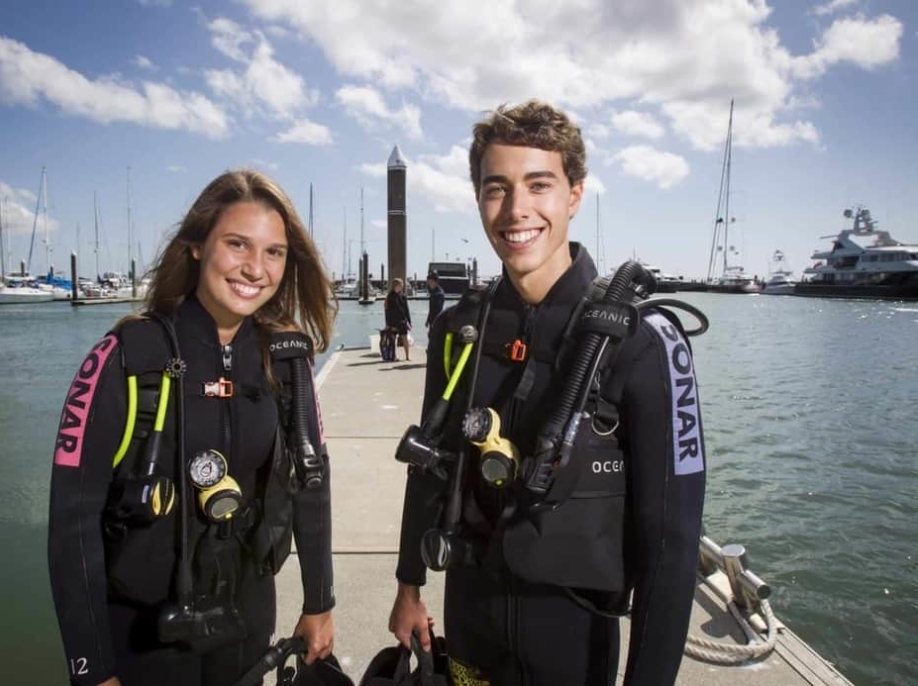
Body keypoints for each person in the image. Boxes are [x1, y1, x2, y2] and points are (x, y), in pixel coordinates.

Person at [387, 100, 707, 685]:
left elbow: (673, 546)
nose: (516, 210)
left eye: (539, 185)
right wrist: (409, 584)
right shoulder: (459, 330)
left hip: (573, 642)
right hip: (471, 623)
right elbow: (430, 465)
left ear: (574, 195)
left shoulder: (641, 341)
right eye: (496, 188)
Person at [48, 169, 337, 686]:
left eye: (274, 252)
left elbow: (312, 485)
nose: (255, 268)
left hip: (246, 622)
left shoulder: (287, 360)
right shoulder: (124, 358)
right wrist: (90, 666)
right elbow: (73, 524)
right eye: (237, 244)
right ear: (198, 247)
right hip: (142, 633)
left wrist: (319, 602)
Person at [384, 277, 412, 362]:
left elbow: (407, 310)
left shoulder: (403, 296)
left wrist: (409, 322)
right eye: (401, 284)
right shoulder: (390, 296)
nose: (403, 286)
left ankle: (407, 356)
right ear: (396, 285)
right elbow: (387, 310)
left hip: (402, 320)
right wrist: (387, 323)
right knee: (393, 339)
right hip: (393, 321)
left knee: (405, 338)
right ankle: (394, 356)